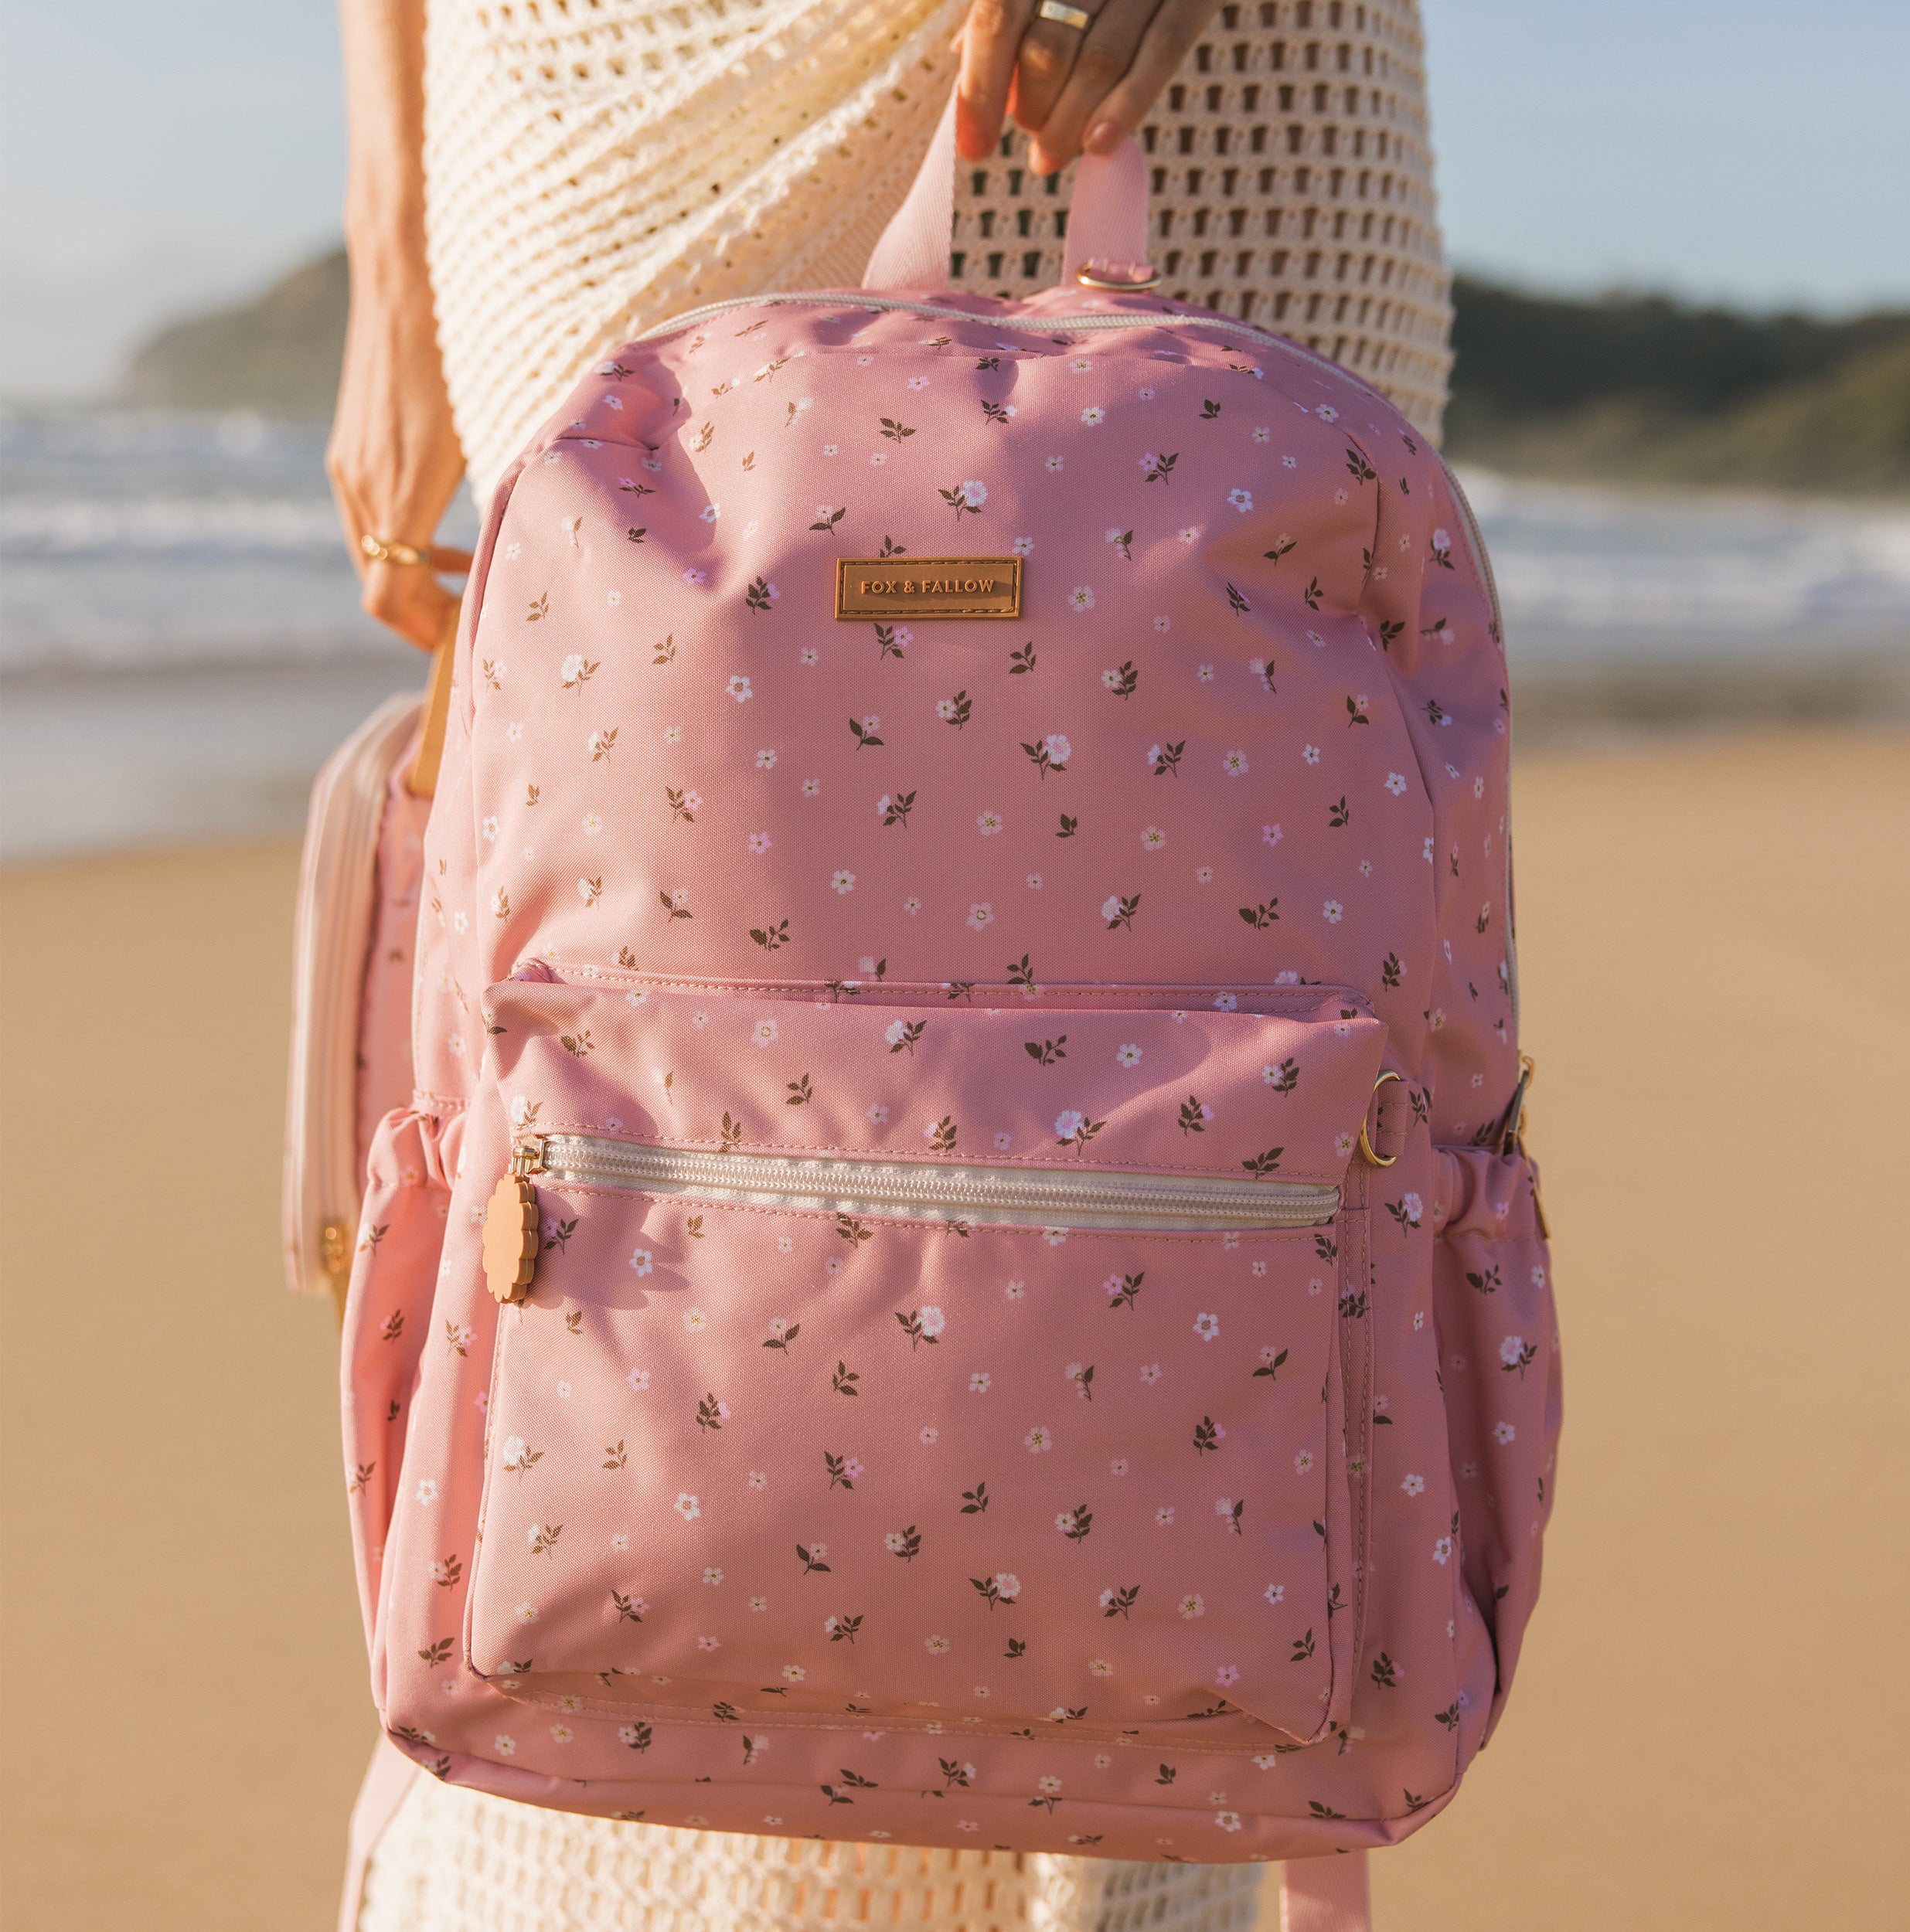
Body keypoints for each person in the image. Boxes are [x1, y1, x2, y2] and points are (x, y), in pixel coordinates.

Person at [329, 1, 1454, 1923]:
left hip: (1217, 69)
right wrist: (385, 227)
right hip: (611, 83)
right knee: (625, 1092)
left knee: (1194, 1163)